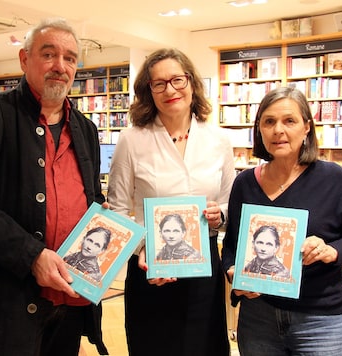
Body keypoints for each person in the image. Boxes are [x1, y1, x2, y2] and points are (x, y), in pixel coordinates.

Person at [0, 19, 109, 356]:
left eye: (70, 58)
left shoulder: (86, 129)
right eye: (49, 55)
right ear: (24, 59)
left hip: (72, 300)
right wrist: (33, 257)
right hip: (8, 303)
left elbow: (93, 199)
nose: (60, 67)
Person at [222, 87, 342, 356]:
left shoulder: (333, 178)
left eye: (289, 121)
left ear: (306, 127)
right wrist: (233, 272)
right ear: (259, 129)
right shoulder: (244, 183)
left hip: (320, 319)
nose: (278, 130)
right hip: (258, 318)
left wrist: (331, 251)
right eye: (268, 122)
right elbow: (233, 245)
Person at [108, 48, 235, 356]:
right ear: (148, 91)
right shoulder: (131, 139)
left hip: (204, 272)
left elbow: (232, 203)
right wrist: (142, 250)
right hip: (151, 269)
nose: (170, 90)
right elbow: (117, 210)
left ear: (191, 83)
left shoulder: (218, 140)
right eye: (158, 83)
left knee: (205, 347)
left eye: (177, 80)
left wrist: (222, 215)